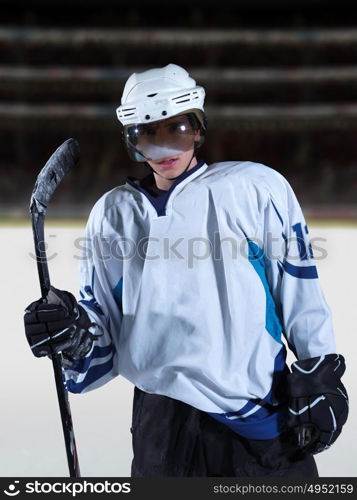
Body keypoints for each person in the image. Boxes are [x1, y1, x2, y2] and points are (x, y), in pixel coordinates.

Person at [24, 63, 349, 477]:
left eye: (177, 130)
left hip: (261, 425)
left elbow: (299, 289)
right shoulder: (112, 215)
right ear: (132, 141)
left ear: (199, 127)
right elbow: (101, 342)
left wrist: (318, 374)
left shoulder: (254, 189)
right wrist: (71, 335)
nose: (165, 149)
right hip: (161, 432)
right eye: (148, 136)